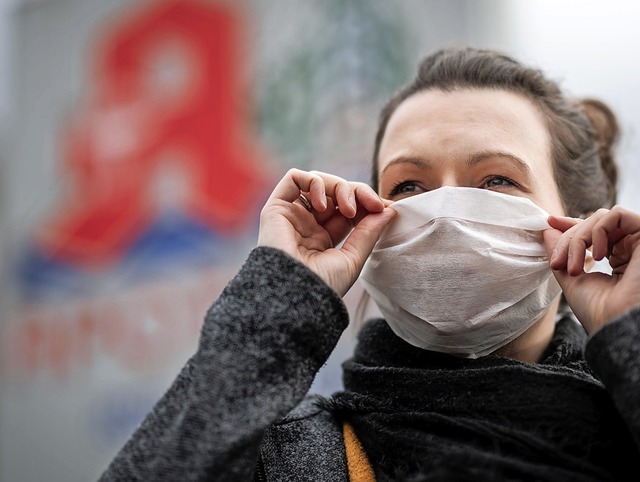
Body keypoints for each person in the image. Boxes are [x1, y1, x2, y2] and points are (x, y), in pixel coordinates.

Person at [98, 46, 640, 481]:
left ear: (582, 223)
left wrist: (630, 336)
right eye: (408, 186)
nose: (444, 215)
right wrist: (281, 297)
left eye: (497, 180)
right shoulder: (291, 458)